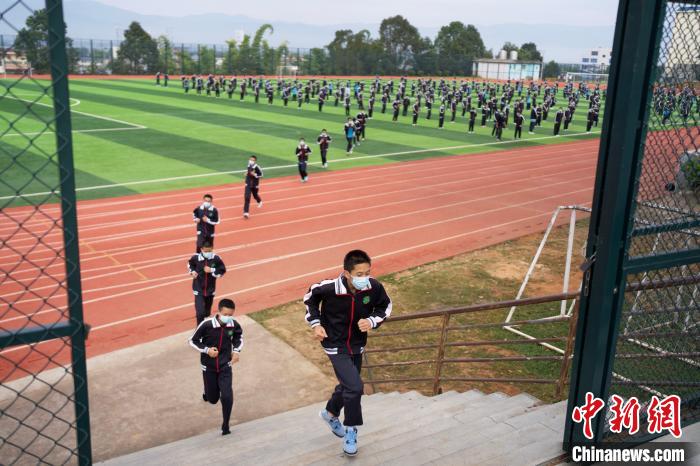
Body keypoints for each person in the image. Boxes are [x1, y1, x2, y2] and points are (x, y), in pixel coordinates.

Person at [304, 250, 393, 457]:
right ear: (347, 273)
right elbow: (309, 299)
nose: (364, 278)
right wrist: (316, 324)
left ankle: (330, 413)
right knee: (355, 387)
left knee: (347, 385)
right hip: (334, 344)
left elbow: (385, 307)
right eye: (359, 274)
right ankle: (351, 431)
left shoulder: (374, 287)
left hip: (357, 344)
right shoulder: (328, 288)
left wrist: (372, 321)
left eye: (367, 272)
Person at [188, 298, 243, 436]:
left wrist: (236, 351)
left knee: (227, 396)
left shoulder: (233, 325)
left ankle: (226, 425)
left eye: (231, 315)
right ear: (219, 312)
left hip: (225, 366)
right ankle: (207, 393)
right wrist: (207, 350)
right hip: (209, 367)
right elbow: (192, 341)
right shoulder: (206, 325)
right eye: (226, 314)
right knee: (213, 399)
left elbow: (238, 338)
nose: (228, 318)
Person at [188, 241, 227, 325]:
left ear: (212, 249)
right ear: (201, 249)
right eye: (206, 251)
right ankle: (199, 330)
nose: (208, 253)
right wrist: (192, 271)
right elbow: (190, 264)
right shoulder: (195, 258)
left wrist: (212, 270)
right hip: (198, 289)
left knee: (207, 312)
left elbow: (223, 270)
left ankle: (206, 325)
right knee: (200, 312)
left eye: (209, 251)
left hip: (210, 290)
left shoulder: (216, 258)